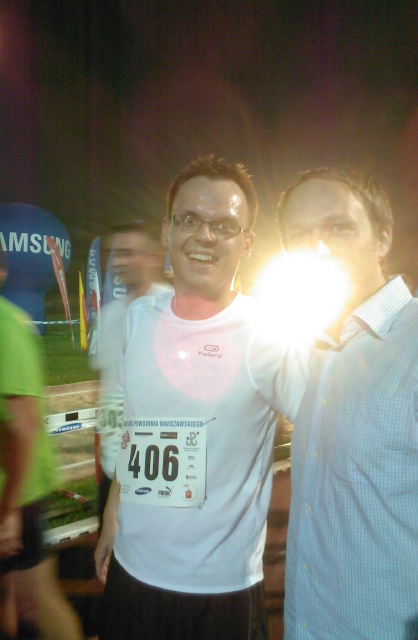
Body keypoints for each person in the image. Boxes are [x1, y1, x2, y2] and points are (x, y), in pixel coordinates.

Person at [94, 156, 309, 640]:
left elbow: (328, 436)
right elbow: (134, 431)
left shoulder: (269, 335)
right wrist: (112, 517)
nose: (204, 236)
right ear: (168, 229)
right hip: (131, 573)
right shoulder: (137, 320)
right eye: (189, 219)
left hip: (221, 593)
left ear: (247, 243)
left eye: (224, 226)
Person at [278, 167, 418, 639]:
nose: (318, 248)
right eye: (299, 235)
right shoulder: (311, 350)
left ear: (383, 238)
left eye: (338, 227)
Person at [0, 247, 83, 640]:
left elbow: (23, 424)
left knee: (36, 602)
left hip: (18, 494)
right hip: (13, 494)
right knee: (10, 598)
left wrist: (10, 509)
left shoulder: (4, 324)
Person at [90, 221, 172, 529]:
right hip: (112, 465)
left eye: (128, 253)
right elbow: (104, 388)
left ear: (153, 257)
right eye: (116, 254)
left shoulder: (171, 311)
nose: (119, 262)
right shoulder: (111, 315)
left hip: (153, 471)